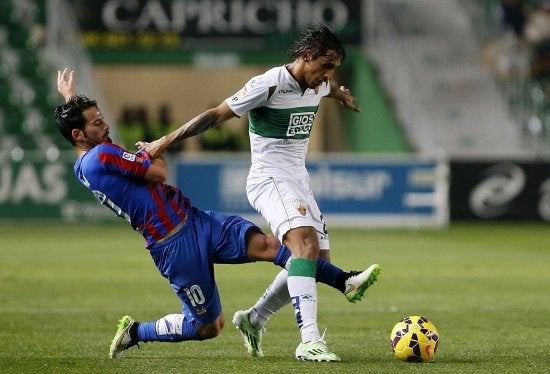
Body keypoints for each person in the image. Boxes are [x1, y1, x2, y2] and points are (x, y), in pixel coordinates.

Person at [54, 68, 379, 362]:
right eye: (96, 122)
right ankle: (136, 332)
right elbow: (158, 171)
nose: (106, 125)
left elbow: (102, 145)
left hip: (197, 221)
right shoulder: (101, 156)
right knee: (209, 326)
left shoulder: (87, 160)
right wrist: (155, 153)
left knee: (275, 247)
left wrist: (70, 100)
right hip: (173, 245)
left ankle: (344, 281)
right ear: (78, 135)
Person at [137, 25, 381, 362]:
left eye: (334, 68)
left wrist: (339, 92)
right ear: (306, 56)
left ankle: (254, 319)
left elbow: (327, 87)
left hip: (298, 180)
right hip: (270, 178)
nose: (329, 74)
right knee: (305, 245)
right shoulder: (268, 84)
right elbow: (213, 115)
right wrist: (162, 142)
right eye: (326, 64)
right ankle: (309, 340)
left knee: (313, 262)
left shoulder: (320, 82)